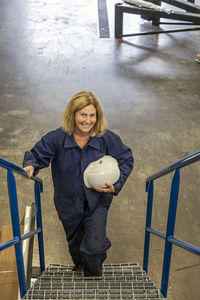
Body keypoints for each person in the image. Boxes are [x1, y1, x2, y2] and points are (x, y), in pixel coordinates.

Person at [23, 91, 134, 276]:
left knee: (94, 247)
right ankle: (81, 265)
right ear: (73, 114)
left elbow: (126, 158)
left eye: (92, 115)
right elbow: (36, 154)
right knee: (75, 243)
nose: (87, 120)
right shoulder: (57, 138)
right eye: (83, 114)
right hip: (68, 202)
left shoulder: (106, 137)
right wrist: (30, 166)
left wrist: (117, 184)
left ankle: (93, 273)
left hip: (97, 201)